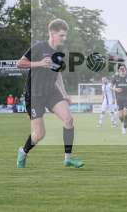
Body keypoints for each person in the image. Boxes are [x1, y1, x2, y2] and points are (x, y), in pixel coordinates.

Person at [16, 19, 84, 168]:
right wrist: (39, 63)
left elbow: (57, 75)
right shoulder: (39, 47)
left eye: (65, 35)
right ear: (52, 33)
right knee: (39, 134)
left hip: (51, 92)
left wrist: (65, 94)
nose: (64, 38)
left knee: (68, 120)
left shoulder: (59, 54)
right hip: (34, 95)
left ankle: (68, 159)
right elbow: (19, 63)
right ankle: (23, 151)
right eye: (62, 35)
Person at [112, 64, 127, 134]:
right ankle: (123, 123)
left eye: (123, 69)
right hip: (119, 98)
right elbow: (110, 86)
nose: (122, 70)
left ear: (125, 70)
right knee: (120, 115)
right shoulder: (115, 77)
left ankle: (124, 128)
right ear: (119, 70)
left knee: (125, 112)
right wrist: (115, 89)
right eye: (121, 69)